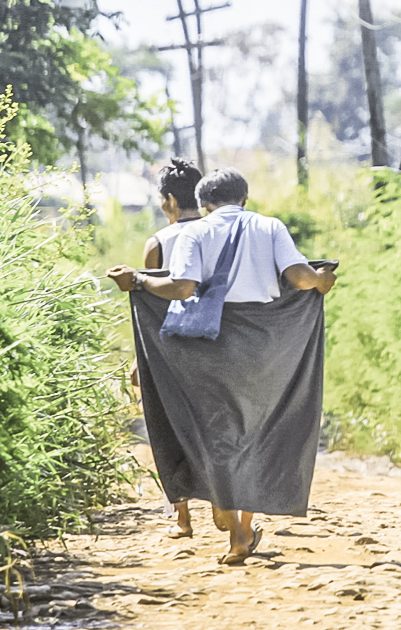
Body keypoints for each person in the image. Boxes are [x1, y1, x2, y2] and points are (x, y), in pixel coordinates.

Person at [107, 167, 337, 565]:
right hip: (264, 345)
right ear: (244, 199)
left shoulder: (195, 232)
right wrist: (322, 279)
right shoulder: (270, 226)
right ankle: (242, 528)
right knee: (256, 429)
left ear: (203, 204)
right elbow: (300, 279)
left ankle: (232, 524)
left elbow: (181, 289)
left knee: (214, 432)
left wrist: (139, 281)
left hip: (208, 348)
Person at [124, 158, 205, 538]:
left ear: (169, 200)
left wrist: (140, 360)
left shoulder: (158, 243)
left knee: (167, 425)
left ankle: (183, 517)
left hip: (171, 348)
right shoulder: (217, 234)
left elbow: (150, 310)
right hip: (215, 345)